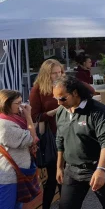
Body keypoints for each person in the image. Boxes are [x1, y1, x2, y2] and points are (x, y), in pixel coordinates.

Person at [53, 76, 105, 209]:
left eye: (62, 98)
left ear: (75, 92)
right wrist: (59, 167)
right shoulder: (61, 112)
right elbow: (60, 139)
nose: (59, 103)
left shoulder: (97, 110)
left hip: (96, 167)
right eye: (56, 99)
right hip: (72, 170)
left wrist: (101, 170)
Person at [29, 59, 67, 209]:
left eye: (60, 72)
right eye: (54, 73)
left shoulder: (65, 84)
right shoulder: (38, 90)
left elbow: (88, 91)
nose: (58, 75)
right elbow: (34, 117)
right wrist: (54, 111)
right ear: (46, 74)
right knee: (53, 177)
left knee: (67, 176)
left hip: (68, 133)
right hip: (52, 136)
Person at [0, 90, 38, 209]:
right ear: (7, 104)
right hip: (9, 177)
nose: (22, 106)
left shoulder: (12, 119)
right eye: (18, 103)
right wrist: (28, 116)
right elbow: (31, 138)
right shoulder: (5, 125)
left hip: (17, 174)